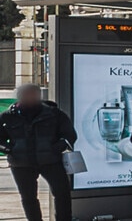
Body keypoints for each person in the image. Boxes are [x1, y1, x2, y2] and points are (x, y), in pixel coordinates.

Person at [0, 84, 79, 221]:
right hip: (21, 163)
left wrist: (57, 147)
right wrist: (9, 150)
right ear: (19, 97)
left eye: (32, 94)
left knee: (62, 194)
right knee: (28, 198)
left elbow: (70, 135)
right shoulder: (7, 117)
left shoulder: (54, 114)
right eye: (26, 94)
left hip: (51, 161)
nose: (29, 97)